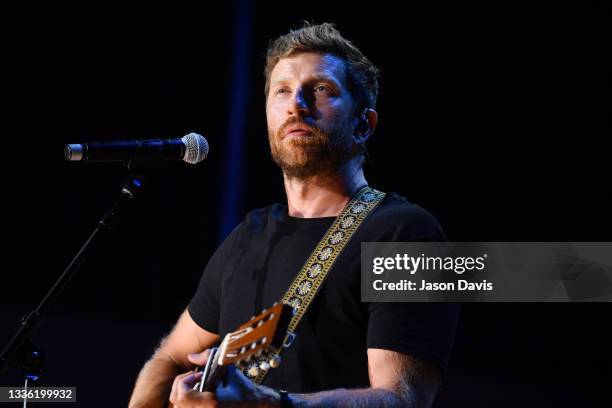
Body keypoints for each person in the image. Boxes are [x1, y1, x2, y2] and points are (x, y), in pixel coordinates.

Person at [129, 22, 459, 408]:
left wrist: (269, 403)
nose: (296, 104)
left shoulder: (406, 234)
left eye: (321, 90)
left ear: (364, 125)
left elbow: (403, 400)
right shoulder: (248, 235)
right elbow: (169, 357)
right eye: (282, 90)